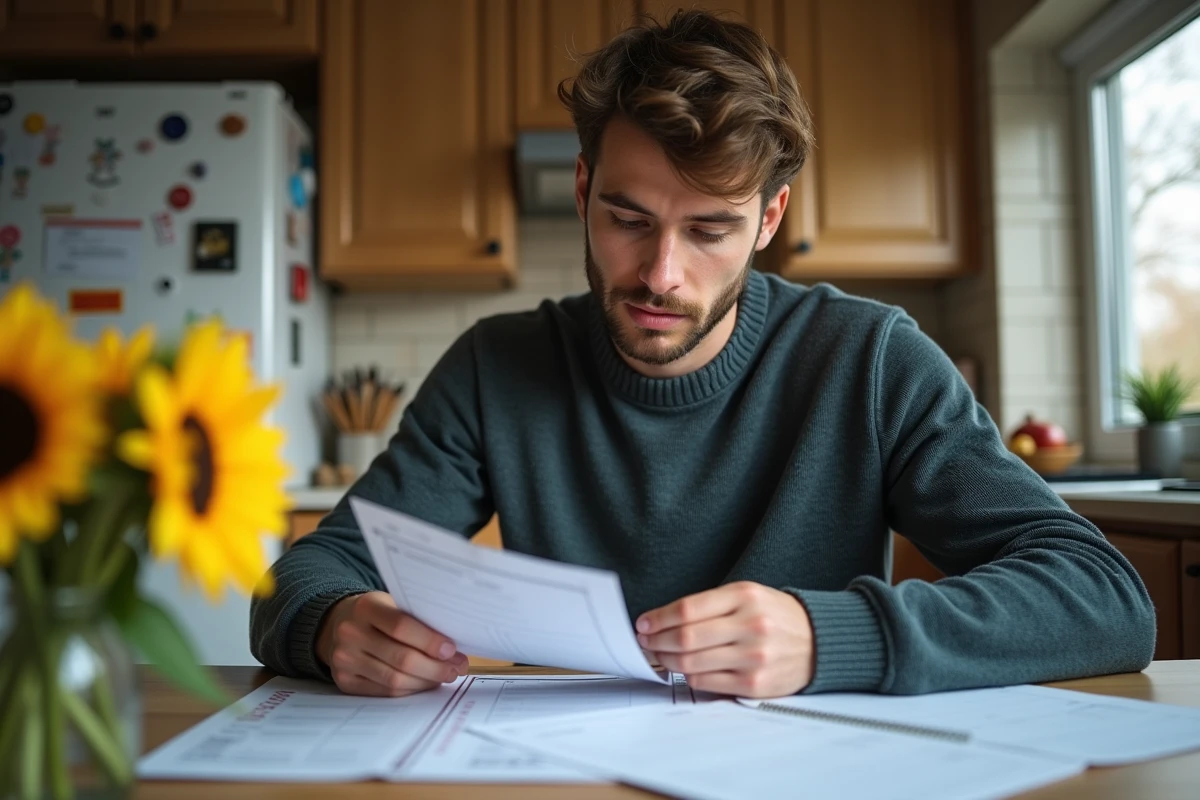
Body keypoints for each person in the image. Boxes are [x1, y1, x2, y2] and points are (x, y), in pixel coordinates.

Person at [251, 10, 1154, 699]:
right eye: (627, 218)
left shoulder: (870, 359)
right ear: (581, 188)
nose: (660, 274)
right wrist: (332, 622)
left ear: (769, 218)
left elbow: (1103, 597)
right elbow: (308, 571)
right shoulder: (498, 366)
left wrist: (826, 636)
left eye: (711, 229)